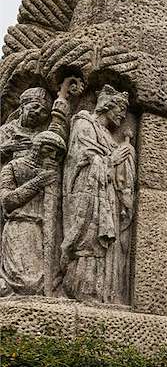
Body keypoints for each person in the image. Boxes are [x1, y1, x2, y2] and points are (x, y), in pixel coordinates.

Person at [60, 85, 135, 305]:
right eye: (120, 109)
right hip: (88, 195)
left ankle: (105, 295)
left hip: (108, 197)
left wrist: (126, 159)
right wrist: (113, 159)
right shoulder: (84, 123)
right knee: (90, 241)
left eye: (125, 110)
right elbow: (80, 159)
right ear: (106, 106)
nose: (123, 115)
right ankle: (84, 290)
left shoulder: (108, 136)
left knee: (107, 247)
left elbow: (117, 170)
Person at [0, 130, 65, 294]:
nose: (52, 156)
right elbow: (7, 201)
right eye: (49, 150)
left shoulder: (54, 175)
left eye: (56, 154)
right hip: (20, 227)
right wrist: (38, 182)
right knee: (26, 284)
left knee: (45, 283)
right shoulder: (13, 167)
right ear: (37, 146)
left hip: (45, 232)